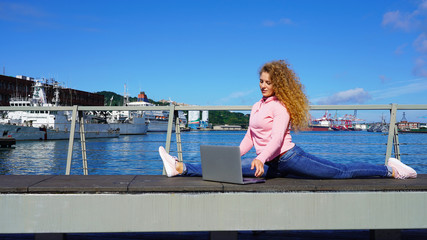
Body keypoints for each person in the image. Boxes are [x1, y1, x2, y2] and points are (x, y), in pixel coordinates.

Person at [159, 60, 417, 180]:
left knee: (340, 171)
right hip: (267, 165)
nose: (263, 86)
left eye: (268, 82)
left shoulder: (281, 107)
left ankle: (392, 170)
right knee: (226, 169)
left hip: (289, 158)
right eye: (261, 81)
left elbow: (276, 139)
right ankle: (180, 167)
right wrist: (234, 155)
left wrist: (260, 158)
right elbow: (251, 136)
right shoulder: (255, 106)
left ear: (277, 84)